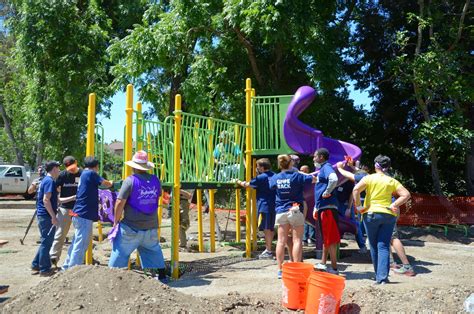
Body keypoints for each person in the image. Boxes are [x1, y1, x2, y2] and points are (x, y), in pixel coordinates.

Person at [108, 151, 167, 282]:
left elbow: (119, 202)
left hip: (131, 227)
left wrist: (115, 221)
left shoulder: (129, 181)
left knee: (120, 252)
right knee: (153, 251)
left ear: (133, 166)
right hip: (151, 226)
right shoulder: (156, 180)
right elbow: (157, 196)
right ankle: (162, 278)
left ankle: (112, 280)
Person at [352, 155, 411, 285]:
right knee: (383, 245)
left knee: (373, 246)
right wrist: (394, 205)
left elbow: (356, 190)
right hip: (388, 215)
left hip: (371, 214)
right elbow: (406, 195)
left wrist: (359, 207)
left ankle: (378, 277)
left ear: (375, 165)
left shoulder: (369, 178)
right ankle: (383, 278)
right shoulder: (391, 180)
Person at [62, 156, 112, 270]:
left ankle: (66, 267)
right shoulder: (91, 174)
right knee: (81, 244)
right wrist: (112, 183)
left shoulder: (84, 173)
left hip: (78, 213)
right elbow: (105, 184)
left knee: (76, 241)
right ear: (96, 166)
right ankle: (73, 269)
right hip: (84, 214)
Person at [270, 155, 315, 278]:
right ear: (291, 164)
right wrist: (299, 172)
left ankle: (280, 270)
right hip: (295, 210)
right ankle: (296, 269)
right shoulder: (298, 176)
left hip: (280, 211)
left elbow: (271, 186)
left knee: (280, 241)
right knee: (297, 241)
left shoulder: (276, 177)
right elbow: (314, 179)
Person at [236, 158, 276, 259]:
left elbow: (248, 185)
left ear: (262, 167)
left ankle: (269, 250)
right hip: (274, 204)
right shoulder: (275, 175)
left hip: (264, 205)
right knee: (271, 227)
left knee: (266, 228)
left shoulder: (261, 177)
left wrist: (238, 181)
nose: (257, 169)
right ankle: (269, 249)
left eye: (257, 166)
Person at [50, 156, 82, 266]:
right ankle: (53, 257)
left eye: (73, 166)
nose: (72, 169)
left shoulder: (82, 174)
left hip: (78, 210)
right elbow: (55, 190)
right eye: (69, 167)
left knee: (82, 234)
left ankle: (83, 258)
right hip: (66, 209)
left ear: (76, 163)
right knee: (60, 234)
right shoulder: (62, 175)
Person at [313, 148, 340, 274]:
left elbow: (333, 179)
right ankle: (325, 264)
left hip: (327, 208)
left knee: (330, 238)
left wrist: (327, 192)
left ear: (321, 157)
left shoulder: (326, 167)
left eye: (315, 156)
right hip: (324, 207)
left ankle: (333, 267)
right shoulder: (323, 169)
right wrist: (316, 206)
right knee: (328, 238)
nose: (313, 159)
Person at [31, 161, 60, 276]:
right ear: (53, 169)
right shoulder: (49, 181)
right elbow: (46, 200)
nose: (59, 171)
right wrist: (53, 216)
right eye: (58, 168)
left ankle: (36, 264)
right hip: (46, 216)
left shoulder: (46, 181)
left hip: (44, 215)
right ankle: (44, 269)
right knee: (47, 242)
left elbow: (52, 199)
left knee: (45, 241)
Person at [336, 161, 369, 253]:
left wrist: (349, 208)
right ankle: (336, 246)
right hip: (337, 204)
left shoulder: (349, 180)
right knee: (337, 225)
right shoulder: (338, 178)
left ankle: (362, 246)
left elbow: (351, 194)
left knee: (354, 225)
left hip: (345, 204)